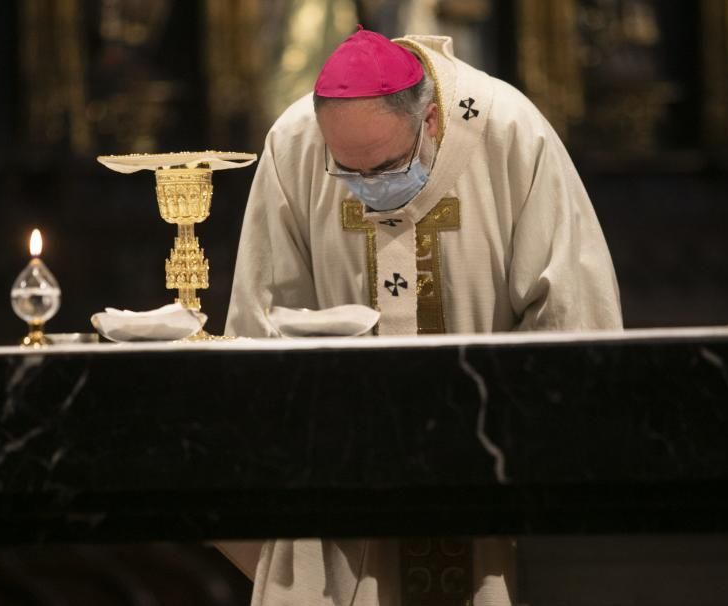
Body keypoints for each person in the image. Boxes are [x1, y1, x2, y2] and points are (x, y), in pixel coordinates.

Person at [222, 26, 623, 606]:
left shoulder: (507, 130)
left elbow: (572, 310)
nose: (367, 189)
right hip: (344, 489)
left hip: (486, 482)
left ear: (431, 121)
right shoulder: (296, 143)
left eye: (384, 167)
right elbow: (264, 315)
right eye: (348, 173)